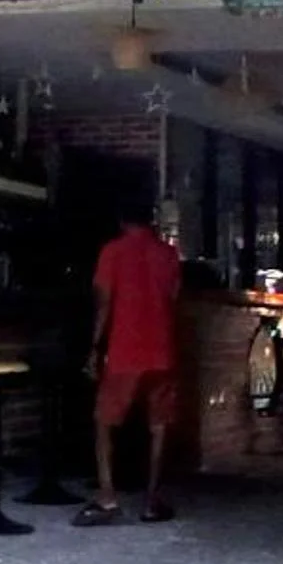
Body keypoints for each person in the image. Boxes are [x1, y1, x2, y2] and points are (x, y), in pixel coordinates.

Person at [77, 219, 182, 525]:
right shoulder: (168, 253)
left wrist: (95, 346)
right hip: (163, 348)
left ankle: (108, 497)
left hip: (125, 348)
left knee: (104, 422)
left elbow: (105, 303)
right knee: (159, 424)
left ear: (122, 220)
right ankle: (152, 500)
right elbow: (174, 297)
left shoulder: (113, 251)